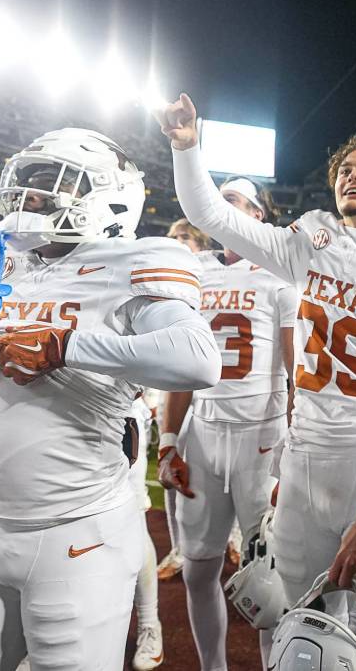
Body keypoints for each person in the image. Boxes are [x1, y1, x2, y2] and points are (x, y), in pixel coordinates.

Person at [158, 98, 356, 670]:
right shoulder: (309, 247)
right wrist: (186, 147)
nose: (353, 176)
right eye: (344, 170)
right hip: (302, 464)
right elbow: (210, 214)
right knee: (293, 633)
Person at [0, 128, 220, 670]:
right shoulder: (16, 270)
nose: (30, 197)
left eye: (48, 184)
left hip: (79, 526)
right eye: (26, 183)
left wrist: (65, 344)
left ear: (109, 200)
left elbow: (197, 358)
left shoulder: (137, 261)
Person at [157, 176, 298, 670]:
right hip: (205, 433)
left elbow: (296, 374)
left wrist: (294, 452)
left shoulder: (279, 275)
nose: (220, 206)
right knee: (197, 571)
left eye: (233, 200)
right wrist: (169, 441)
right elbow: (182, 366)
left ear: (258, 216)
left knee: (268, 580)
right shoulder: (195, 272)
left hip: (262, 440)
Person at [155, 217, 215, 582]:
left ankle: (233, 537)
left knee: (217, 472)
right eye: (173, 235)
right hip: (175, 383)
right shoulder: (166, 280)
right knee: (172, 466)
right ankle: (179, 546)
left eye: (185, 237)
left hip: (215, 393)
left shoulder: (212, 277)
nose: (177, 241)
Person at [128, 391, 164, 671]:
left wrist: (151, 397)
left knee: (134, 521)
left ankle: (150, 624)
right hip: (58, 417)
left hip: (119, 415)